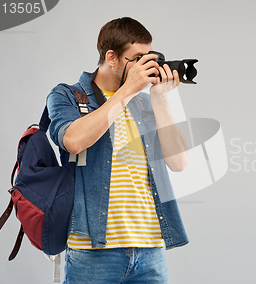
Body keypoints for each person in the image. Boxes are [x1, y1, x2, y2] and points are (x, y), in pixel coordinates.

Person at [46, 17, 189, 284]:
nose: (145, 67)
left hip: (150, 251)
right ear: (112, 57)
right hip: (93, 252)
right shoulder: (67, 95)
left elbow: (179, 162)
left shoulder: (146, 103)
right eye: (137, 58)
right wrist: (127, 90)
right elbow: (74, 141)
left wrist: (160, 98)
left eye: (149, 58)